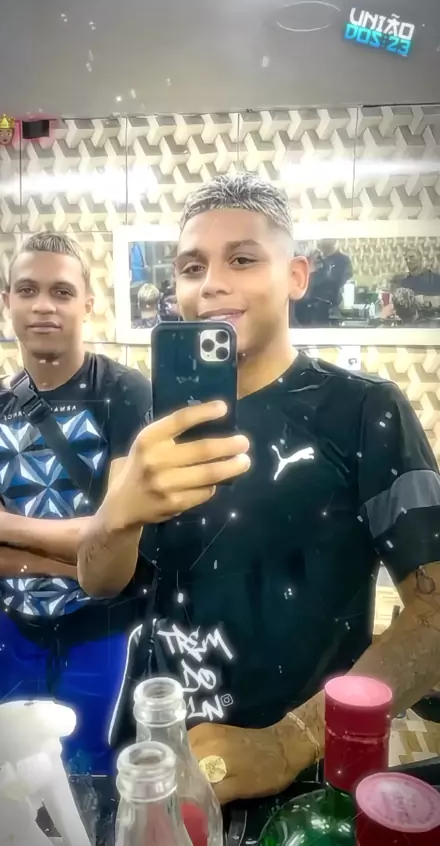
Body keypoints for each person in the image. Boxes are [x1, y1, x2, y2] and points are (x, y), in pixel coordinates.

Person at [78, 174, 440, 803]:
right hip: (156, 753)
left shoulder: (364, 411)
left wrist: (288, 743)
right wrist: (115, 519)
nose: (211, 283)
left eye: (242, 259)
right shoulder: (150, 416)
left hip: (307, 783)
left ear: (296, 277)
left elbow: (433, 616)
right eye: (192, 267)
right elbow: (99, 580)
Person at [0, 232, 151, 776]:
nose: (44, 304)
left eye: (62, 291)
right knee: (10, 782)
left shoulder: (125, 393)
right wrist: (67, 560)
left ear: (87, 304)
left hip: (108, 632)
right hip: (14, 632)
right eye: (28, 290)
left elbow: (119, 536)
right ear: (7, 301)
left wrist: (1, 526)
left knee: (104, 782)